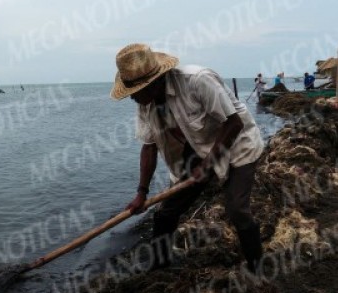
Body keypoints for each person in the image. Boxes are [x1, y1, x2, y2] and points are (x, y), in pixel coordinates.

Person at [110, 43, 265, 272]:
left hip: (237, 145)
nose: (132, 98)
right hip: (197, 148)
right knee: (165, 214)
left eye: (136, 92)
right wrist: (141, 193)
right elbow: (149, 147)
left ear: (154, 82)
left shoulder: (197, 81)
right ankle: (159, 270)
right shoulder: (146, 104)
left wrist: (208, 165)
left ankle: (258, 268)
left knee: (236, 209)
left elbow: (233, 123)